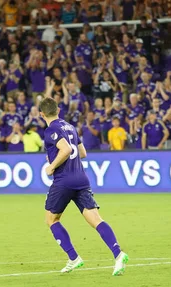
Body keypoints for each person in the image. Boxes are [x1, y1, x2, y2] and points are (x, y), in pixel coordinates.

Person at [39, 97, 129, 276]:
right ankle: (118, 254)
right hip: (81, 178)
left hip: (64, 180)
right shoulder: (70, 127)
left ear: (41, 114)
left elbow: (66, 150)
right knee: (96, 219)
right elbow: (83, 153)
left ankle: (74, 258)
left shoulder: (51, 130)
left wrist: (52, 166)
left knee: (51, 219)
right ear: (58, 110)